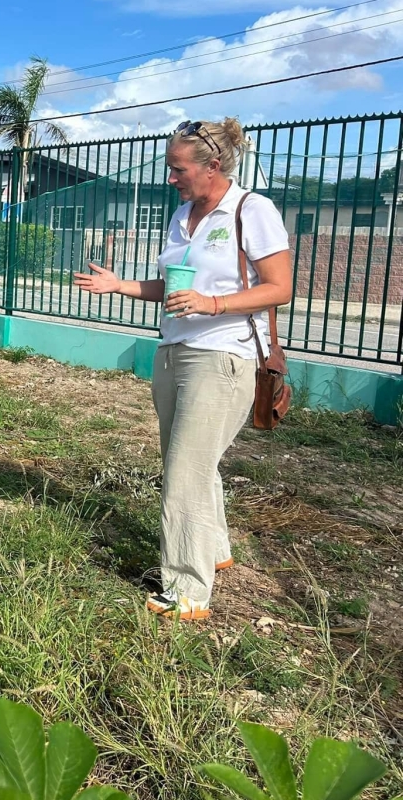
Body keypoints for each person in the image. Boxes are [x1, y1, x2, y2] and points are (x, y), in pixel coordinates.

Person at [73, 117, 292, 621]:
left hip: (224, 354)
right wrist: (122, 286)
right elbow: (171, 287)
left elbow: (280, 288)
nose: (171, 178)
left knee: (185, 472)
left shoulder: (251, 210)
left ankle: (188, 590)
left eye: (178, 168)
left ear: (213, 166)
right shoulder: (182, 215)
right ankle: (213, 551)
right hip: (174, 351)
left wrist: (212, 305)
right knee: (187, 459)